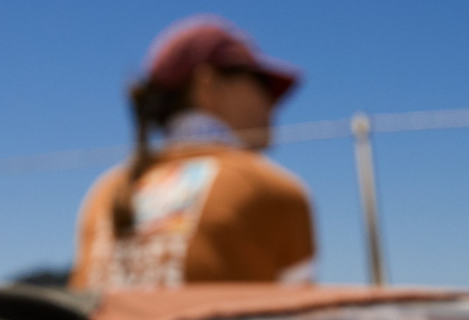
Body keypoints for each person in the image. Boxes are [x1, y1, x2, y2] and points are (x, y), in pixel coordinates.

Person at [70, 16, 315, 292]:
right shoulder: (270, 189)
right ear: (209, 84)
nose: (273, 103)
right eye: (262, 83)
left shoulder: (104, 192)